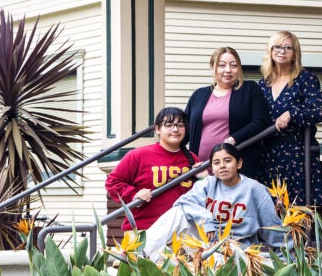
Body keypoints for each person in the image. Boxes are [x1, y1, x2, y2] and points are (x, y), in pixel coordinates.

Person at [143, 143, 287, 262]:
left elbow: (272, 227)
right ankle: (141, 258)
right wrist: (205, 220)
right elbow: (183, 203)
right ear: (212, 168)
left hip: (234, 249)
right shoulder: (207, 184)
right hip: (206, 242)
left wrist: (287, 260)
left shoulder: (256, 190)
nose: (222, 166)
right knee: (178, 214)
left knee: (213, 261)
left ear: (239, 163)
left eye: (228, 160)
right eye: (216, 163)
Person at [258, 31, 322, 206]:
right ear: (270, 51)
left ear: (295, 53)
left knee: (299, 213)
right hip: (268, 156)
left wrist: (292, 114)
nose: (282, 51)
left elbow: (320, 110)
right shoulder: (262, 84)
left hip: (297, 154)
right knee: (271, 212)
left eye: (288, 47)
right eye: (277, 47)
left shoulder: (305, 79)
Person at [105, 107, 200, 231]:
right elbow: (112, 182)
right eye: (169, 125)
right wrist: (134, 194)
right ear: (157, 129)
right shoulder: (138, 155)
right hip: (143, 230)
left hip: (181, 231)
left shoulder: (192, 159)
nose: (175, 129)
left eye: (180, 125)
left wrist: (203, 177)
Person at [185, 46, 269, 181]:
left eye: (234, 65)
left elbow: (261, 121)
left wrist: (233, 139)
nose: (228, 70)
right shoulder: (199, 94)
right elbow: (185, 129)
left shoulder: (249, 89)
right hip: (202, 171)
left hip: (235, 169)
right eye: (222, 65)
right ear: (212, 67)